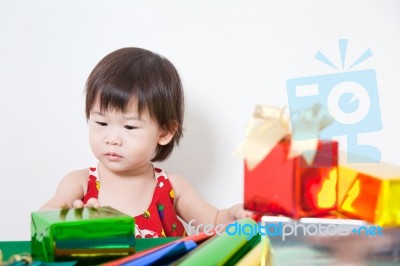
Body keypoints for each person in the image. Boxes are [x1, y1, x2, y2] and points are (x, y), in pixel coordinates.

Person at [40, 47, 252, 238]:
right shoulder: (80, 183)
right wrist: (70, 220)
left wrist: (234, 215)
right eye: (101, 122)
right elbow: (43, 219)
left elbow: (213, 223)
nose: (112, 139)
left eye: (129, 127)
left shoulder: (172, 188)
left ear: (165, 132)